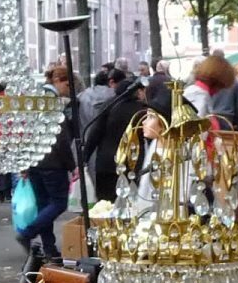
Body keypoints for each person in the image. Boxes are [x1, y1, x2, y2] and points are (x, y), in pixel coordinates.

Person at [15, 66, 76, 258]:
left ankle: (49, 248)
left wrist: (24, 161)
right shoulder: (52, 103)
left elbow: (24, 131)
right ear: (58, 81)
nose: (69, 89)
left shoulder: (35, 99)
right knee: (59, 202)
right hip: (52, 161)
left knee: (43, 205)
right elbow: (61, 139)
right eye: (68, 84)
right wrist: (72, 165)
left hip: (35, 160)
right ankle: (27, 233)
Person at [85, 75, 147, 202]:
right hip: (130, 165)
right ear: (137, 91)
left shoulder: (108, 105)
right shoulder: (142, 110)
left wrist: (84, 158)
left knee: (105, 205)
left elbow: (94, 134)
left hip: (105, 164)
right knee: (129, 206)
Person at [206, 49, 238, 125]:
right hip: (227, 116)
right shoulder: (232, 78)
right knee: (226, 137)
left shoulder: (206, 77)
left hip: (210, 116)